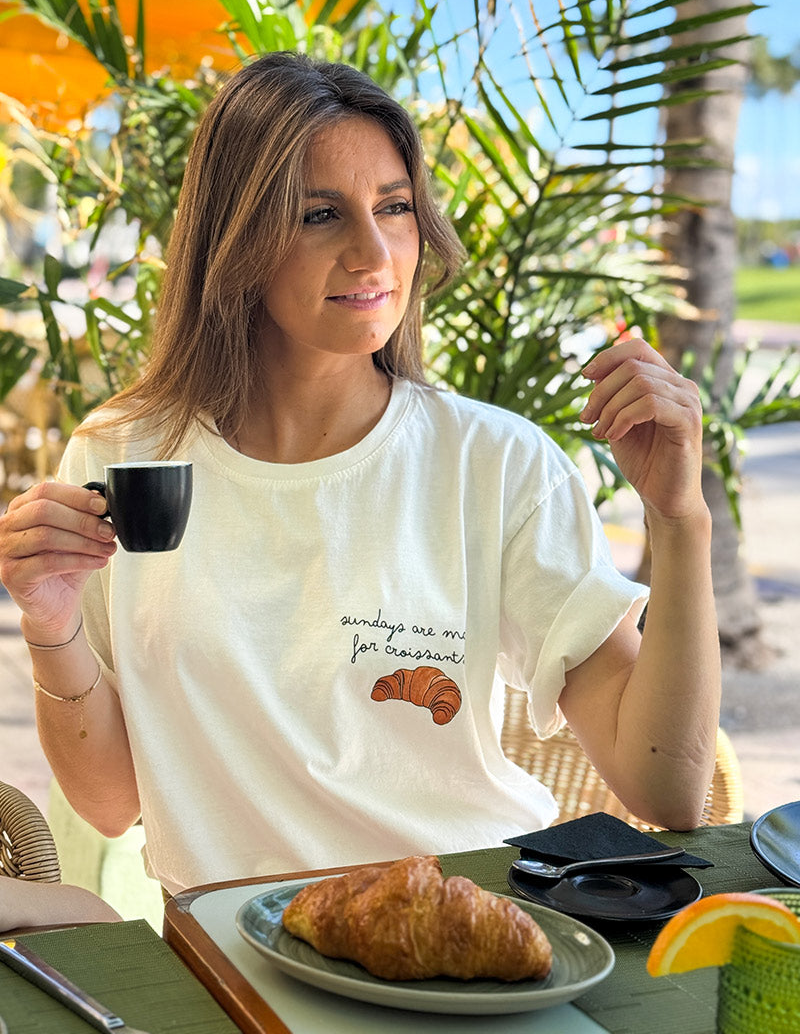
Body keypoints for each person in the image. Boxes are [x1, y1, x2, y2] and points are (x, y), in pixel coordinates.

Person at [0, 53, 720, 896]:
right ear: (235, 239)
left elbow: (666, 788)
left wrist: (680, 521)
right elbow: (111, 802)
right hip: (240, 960)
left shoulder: (495, 465)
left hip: (469, 933)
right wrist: (50, 625)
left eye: (395, 208)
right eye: (319, 215)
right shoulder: (124, 458)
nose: (374, 253)